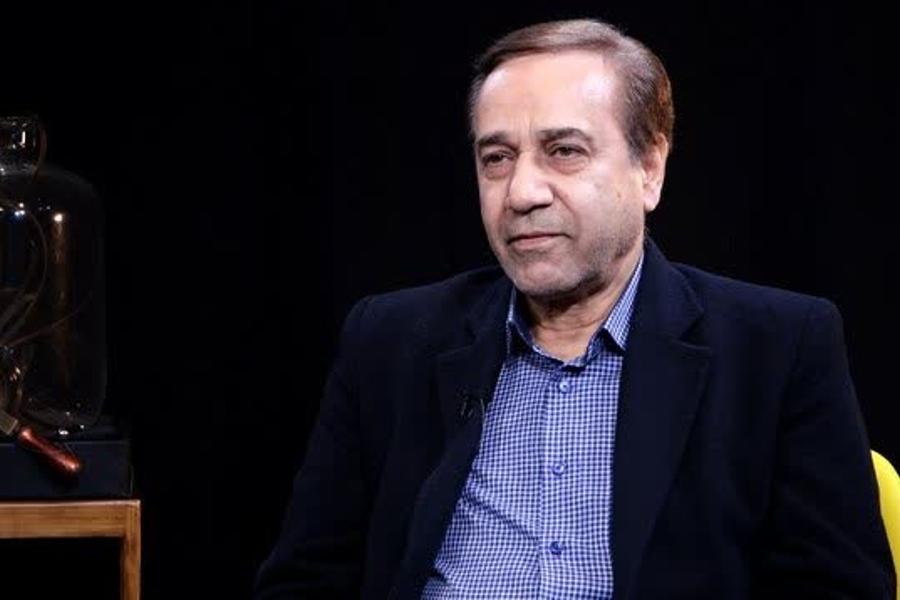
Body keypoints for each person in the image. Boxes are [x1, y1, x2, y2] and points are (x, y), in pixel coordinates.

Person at [255, 19, 894, 599]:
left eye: (564, 151)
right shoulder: (390, 341)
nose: (522, 192)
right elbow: (304, 581)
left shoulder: (779, 347)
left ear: (650, 168)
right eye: (497, 158)